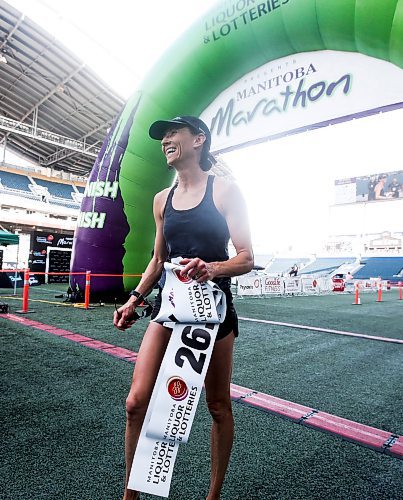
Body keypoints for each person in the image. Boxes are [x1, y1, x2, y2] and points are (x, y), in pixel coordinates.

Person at [113, 115, 254, 500]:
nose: (165, 141)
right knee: (135, 402)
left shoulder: (225, 191)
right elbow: (157, 260)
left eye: (173, 133)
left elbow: (245, 257)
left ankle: (213, 495)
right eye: (163, 136)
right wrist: (133, 300)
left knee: (218, 405)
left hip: (213, 314)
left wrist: (212, 268)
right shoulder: (162, 199)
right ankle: (131, 495)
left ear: (199, 140)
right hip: (169, 309)